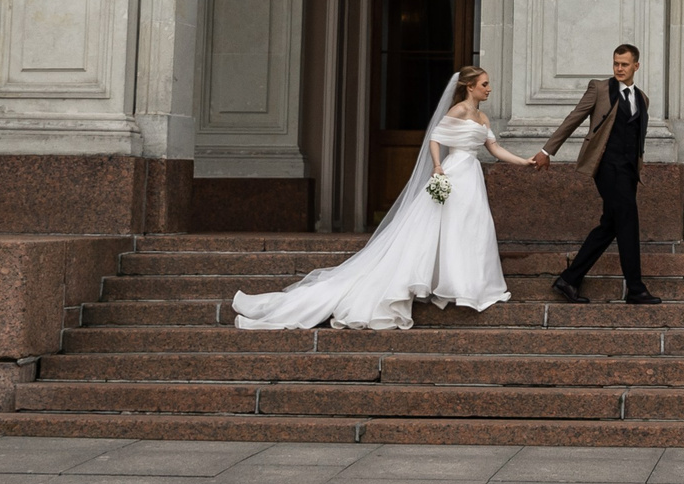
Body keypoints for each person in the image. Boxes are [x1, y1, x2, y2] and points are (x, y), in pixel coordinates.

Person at [229, 66, 532, 330]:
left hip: (471, 176)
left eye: (488, 84)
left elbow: (495, 149)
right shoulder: (460, 111)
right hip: (453, 172)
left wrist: (525, 162)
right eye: (484, 84)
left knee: (473, 228)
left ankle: (470, 285)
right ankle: (449, 283)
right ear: (469, 87)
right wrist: (438, 167)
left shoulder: (483, 118)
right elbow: (436, 138)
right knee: (446, 228)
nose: (489, 89)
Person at [534, 43, 662, 305]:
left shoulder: (642, 98)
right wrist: (547, 150)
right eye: (616, 63)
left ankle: (569, 279)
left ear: (636, 66)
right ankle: (636, 289)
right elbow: (574, 118)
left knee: (610, 226)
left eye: (625, 64)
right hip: (605, 166)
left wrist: (638, 162)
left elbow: (637, 136)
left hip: (628, 172)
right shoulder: (600, 88)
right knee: (628, 222)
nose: (619, 68)